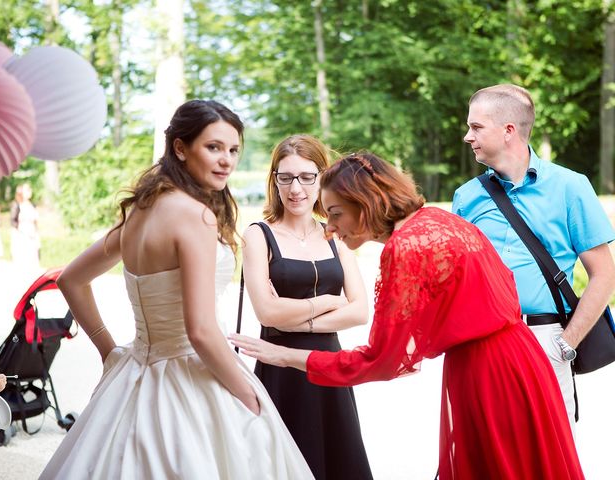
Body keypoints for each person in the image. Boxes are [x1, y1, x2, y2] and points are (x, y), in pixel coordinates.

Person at [231, 152, 584, 479]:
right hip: (523, 360)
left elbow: (382, 359)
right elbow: (502, 288)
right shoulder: (439, 219)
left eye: (336, 213)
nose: (330, 228)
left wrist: (288, 356)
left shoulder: (406, 246)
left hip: (488, 372)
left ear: (364, 203)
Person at [39, 100, 313, 479]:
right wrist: (248, 397)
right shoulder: (195, 216)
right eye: (213, 147)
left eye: (233, 150)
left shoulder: (141, 210)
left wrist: (110, 352)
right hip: (190, 379)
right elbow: (200, 330)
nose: (226, 161)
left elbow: (71, 279)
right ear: (180, 148)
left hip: (133, 373)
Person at [452, 84, 615, 429]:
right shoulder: (466, 197)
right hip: (482, 344)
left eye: (476, 127)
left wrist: (565, 345)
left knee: (549, 456)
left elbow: (604, 275)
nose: (468, 136)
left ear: (509, 130)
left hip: (546, 338)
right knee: (487, 453)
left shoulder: (571, 186)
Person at [242, 134, 372, 479]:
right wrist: (329, 302)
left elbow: (360, 311)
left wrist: (295, 317)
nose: (295, 188)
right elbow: (267, 313)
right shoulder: (258, 235)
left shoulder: (335, 234)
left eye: (306, 177)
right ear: (274, 180)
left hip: (330, 369)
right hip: (280, 372)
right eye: (285, 177)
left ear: (321, 178)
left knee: (338, 463)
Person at [10, 183, 40, 273]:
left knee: (33, 259)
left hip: (32, 234)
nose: (29, 191)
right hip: (22, 235)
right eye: (27, 190)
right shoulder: (18, 205)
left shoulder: (32, 205)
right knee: (23, 259)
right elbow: (13, 222)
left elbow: (36, 222)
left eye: (30, 189)